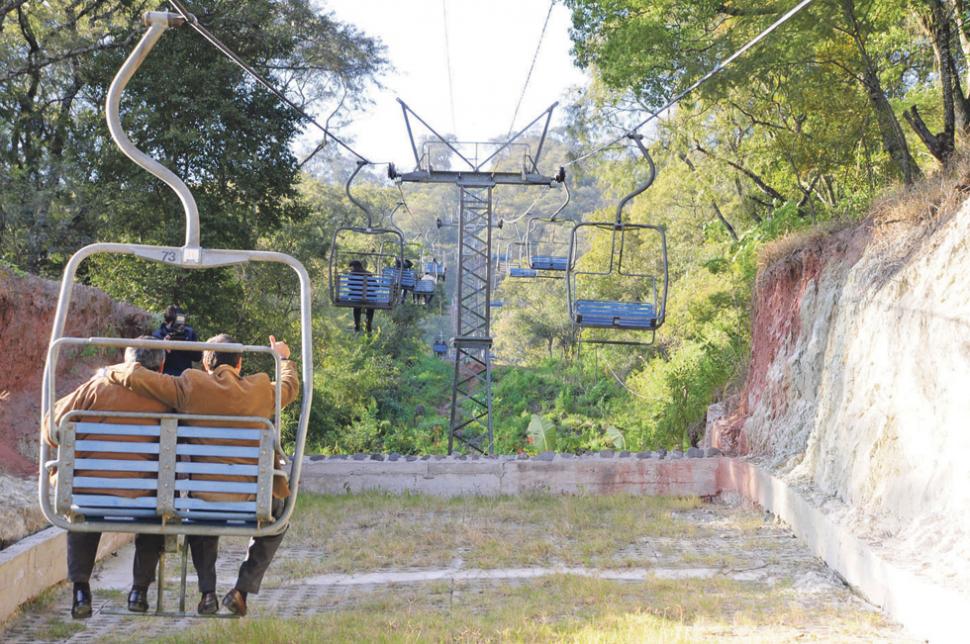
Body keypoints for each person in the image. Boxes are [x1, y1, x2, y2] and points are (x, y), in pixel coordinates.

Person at [105, 334, 298, 617]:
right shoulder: (259, 390)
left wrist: (109, 371)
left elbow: (140, 377)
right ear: (240, 363)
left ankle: (208, 593)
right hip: (252, 500)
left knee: (200, 506)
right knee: (280, 516)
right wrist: (282, 358)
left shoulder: (190, 385)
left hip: (203, 498)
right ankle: (241, 590)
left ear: (207, 363)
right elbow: (289, 386)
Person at [43, 338, 170, 619]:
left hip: (89, 494)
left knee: (83, 514)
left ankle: (80, 591)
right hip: (143, 498)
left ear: (125, 362)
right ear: (160, 366)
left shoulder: (95, 386)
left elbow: (50, 428)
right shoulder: (165, 395)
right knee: (156, 516)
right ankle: (139, 591)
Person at [152, 305, 202, 376]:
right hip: (165, 377)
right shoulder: (157, 335)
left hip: (185, 377)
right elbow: (153, 362)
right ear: (168, 322)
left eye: (181, 323)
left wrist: (187, 345)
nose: (179, 327)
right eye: (176, 324)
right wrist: (163, 348)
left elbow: (197, 357)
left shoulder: (189, 333)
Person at [348, 260, 375, 334]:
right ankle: (368, 324)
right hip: (368, 297)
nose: (352, 269)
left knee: (356, 307)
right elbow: (375, 286)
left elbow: (349, 286)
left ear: (354, 266)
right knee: (371, 307)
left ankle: (357, 326)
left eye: (352, 267)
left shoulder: (352, 274)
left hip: (356, 297)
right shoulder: (368, 273)